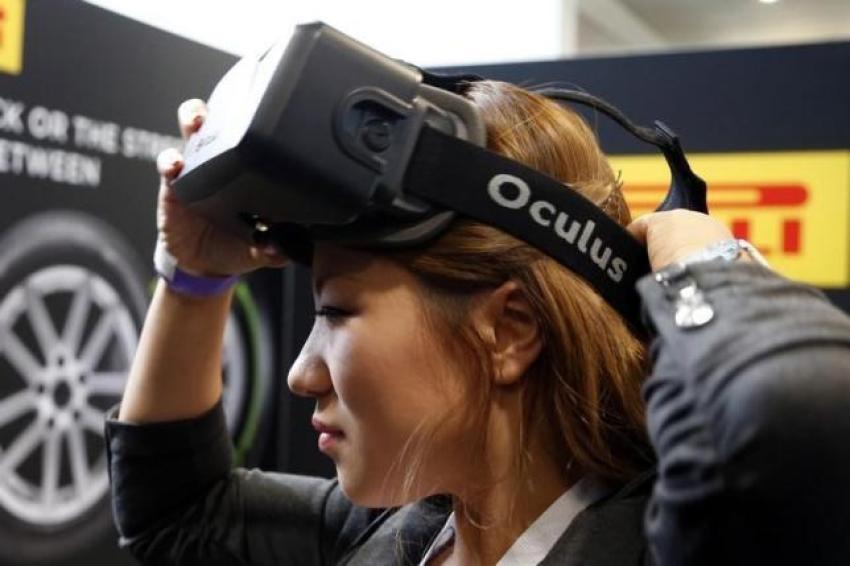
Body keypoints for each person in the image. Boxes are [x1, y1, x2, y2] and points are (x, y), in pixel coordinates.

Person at [106, 80, 850, 566]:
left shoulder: (676, 546)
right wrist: (195, 273)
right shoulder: (402, 534)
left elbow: (798, 409)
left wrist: (704, 260)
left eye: (335, 312)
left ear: (510, 330)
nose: (303, 372)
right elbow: (179, 515)